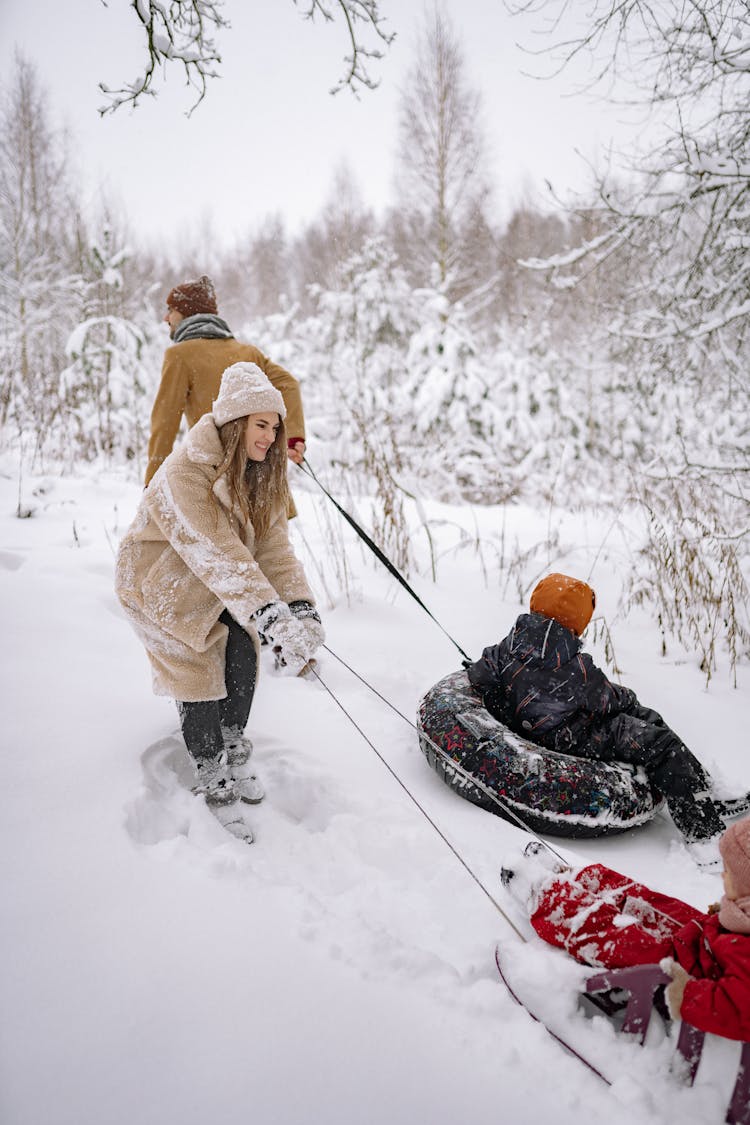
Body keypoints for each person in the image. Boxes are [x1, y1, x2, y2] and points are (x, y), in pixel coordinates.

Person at [116, 361, 324, 843]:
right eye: (261, 425)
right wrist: (270, 613)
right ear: (236, 422)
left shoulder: (263, 476)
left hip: (214, 581)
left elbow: (273, 549)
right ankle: (210, 770)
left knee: (241, 650)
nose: (271, 437)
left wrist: (300, 608)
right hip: (159, 582)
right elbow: (215, 550)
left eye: (276, 426)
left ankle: (233, 746)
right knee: (196, 662)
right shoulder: (183, 472)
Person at [466, 573, 745, 863]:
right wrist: (628, 700)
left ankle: (701, 789)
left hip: (526, 722)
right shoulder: (577, 667)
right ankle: (703, 831)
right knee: (660, 742)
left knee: (645, 721)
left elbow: (480, 674)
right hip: (568, 735)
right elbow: (606, 701)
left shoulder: (509, 644)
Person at [500, 817, 750, 1042]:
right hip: (706, 939)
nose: (722, 877)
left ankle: (546, 898)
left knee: (612, 934)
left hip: (684, 972)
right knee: (647, 901)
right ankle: (575, 879)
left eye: (729, 873)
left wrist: (683, 990)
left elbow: (737, 1009)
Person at [145, 274, 307, 487]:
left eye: (171, 310)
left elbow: (165, 422)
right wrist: (294, 438)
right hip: (258, 476)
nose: (166, 318)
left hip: (216, 477)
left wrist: (153, 482)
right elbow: (289, 385)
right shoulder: (248, 352)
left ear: (187, 313)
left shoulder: (180, 355)